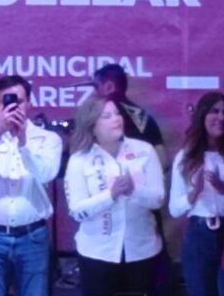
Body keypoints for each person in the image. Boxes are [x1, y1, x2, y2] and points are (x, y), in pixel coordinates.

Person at [0, 75, 62, 296]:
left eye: (20, 101)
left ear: (29, 103)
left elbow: (46, 174)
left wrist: (24, 142)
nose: (14, 107)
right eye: (7, 101)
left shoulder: (48, 139)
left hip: (33, 237)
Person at [64, 94, 164, 296]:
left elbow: (158, 199)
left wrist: (134, 191)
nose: (116, 119)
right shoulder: (79, 160)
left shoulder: (144, 151)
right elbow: (77, 211)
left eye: (117, 114)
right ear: (92, 125)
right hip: (97, 254)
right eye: (107, 116)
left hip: (142, 250)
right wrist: (110, 195)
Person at [169, 91, 224, 296]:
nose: (221, 117)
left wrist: (223, 188)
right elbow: (174, 209)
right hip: (199, 237)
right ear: (202, 115)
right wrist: (194, 193)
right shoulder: (185, 157)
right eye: (214, 111)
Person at [92, 63, 167, 169]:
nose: (94, 92)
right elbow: (163, 161)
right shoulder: (144, 116)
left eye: (96, 87)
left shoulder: (97, 118)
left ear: (109, 87)